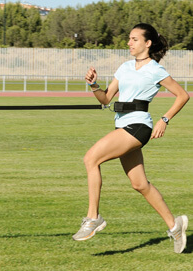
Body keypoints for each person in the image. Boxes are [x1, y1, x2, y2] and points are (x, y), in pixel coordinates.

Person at [72, 23, 189, 253]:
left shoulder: (156, 70)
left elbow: (182, 95)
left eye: (134, 39)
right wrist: (93, 84)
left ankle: (93, 218)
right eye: (129, 39)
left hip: (138, 127)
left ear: (148, 43)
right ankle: (175, 226)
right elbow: (105, 99)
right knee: (139, 184)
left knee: (90, 159)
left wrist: (164, 120)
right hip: (123, 124)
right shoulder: (124, 67)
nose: (129, 43)